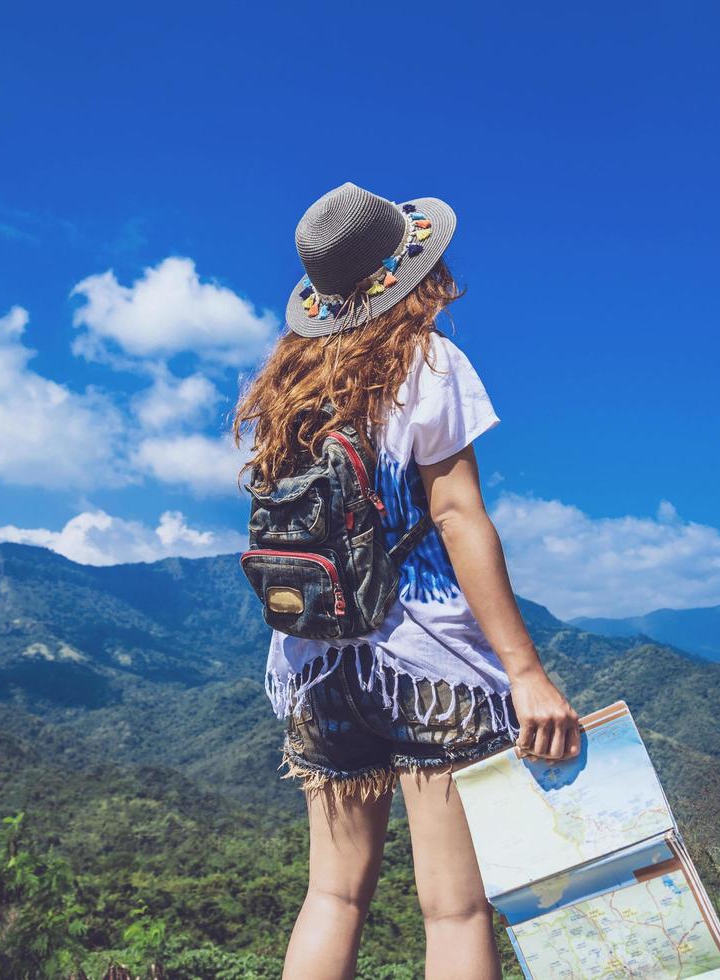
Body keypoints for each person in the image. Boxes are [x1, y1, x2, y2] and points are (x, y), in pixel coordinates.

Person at [233, 182, 580, 980]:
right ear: (406, 273)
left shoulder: (288, 392)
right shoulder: (429, 364)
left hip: (313, 666)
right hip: (429, 666)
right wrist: (525, 674)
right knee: (453, 910)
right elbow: (457, 517)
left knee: (333, 898)